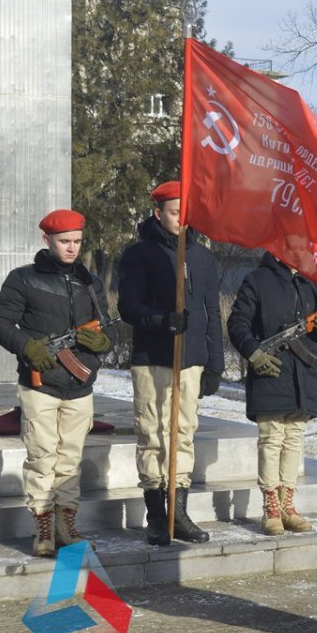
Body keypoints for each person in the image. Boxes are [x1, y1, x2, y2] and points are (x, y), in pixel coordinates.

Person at [0, 209, 113, 557]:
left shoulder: (90, 282)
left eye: (77, 242)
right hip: (40, 385)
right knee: (42, 457)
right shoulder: (23, 279)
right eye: (64, 242)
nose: (72, 248)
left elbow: (104, 329)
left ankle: (66, 527)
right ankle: (43, 528)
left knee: (70, 461)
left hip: (80, 387)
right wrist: (27, 346)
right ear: (47, 241)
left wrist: (102, 346)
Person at [117, 180, 225, 546]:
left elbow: (212, 313)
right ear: (158, 213)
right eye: (175, 212)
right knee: (153, 434)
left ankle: (179, 512)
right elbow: (128, 307)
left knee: (182, 434)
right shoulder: (139, 254)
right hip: (153, 359)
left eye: (185, 212)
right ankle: (156, 516)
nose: (181, 219)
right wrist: (162, 320)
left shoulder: (203, 257)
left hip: (190, 362)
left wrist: (215, 363)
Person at [226, 240, 317, 535]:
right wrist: (254, 353)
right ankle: (271, 509)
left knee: (294, 439)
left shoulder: (311, 282)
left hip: (303, 374)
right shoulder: (257, 281)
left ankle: (288, 506)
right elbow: (238, 324)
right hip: (271, 372)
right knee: (271, 439)